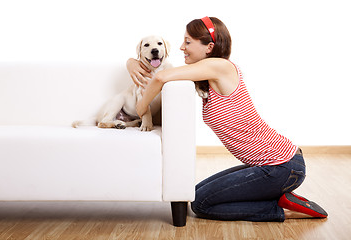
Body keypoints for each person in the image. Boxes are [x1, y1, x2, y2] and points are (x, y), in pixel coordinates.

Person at [127, 17, 328, 222]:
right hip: (268, 165)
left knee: (201, 204)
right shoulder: (206, 73)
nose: (181, 47)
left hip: (282, 166)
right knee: (193, 193)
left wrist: (141, 107)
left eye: (188, 42)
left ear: (209, 47)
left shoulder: (219, 66)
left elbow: (161, 77)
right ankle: (277, 195)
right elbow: (162, 72)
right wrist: (131, 62)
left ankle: (284, 208)